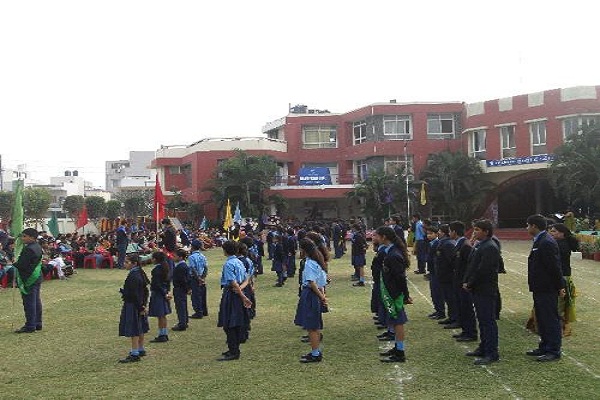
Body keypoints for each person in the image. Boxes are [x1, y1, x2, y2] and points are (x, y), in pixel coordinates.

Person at [525, 214, 565, 362]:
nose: (527, 228)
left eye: (528, 225)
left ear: (534, 226)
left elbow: (554, 267)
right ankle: (544, 345)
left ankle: (553, 350)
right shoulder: (540, 240)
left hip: (547, 288)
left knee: (549, 319)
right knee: (541, 318)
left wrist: (560, 286)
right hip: (540, 287)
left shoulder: (546, 242)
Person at [462, 219, 501, 365]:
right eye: (474, 229)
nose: (474, 232)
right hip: (478, 288)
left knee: (487, 321)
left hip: (485, 289)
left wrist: (470, 283)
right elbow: (472, 265)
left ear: (486, 231)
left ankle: (491, 352)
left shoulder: (490, 246)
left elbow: (483, 270)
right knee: (482, 320)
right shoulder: (480, 245)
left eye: (477, 230)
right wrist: (466, 281)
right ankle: (484, 347)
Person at [376, 226, 413, 363]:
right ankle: (397, 347)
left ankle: (400, 352)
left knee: (398, 323)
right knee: (395, 321)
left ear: (384, 237)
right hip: (391, 292)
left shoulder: (394, 255)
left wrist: (406, 295)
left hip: (395, 294)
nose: (375, 238)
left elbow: (400, 278)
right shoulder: (389, 252)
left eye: (377, 235)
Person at [295, 238, 328, 363]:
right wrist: (323, 295)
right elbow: (322, 283)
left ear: (303, 250)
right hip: (315, 294)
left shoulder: (309, 263)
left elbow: (312, 283)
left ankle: (315, 354)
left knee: (312, 327)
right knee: (313, 325)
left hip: (310, 294)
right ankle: (315, 351)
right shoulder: (317, 262)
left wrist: (321, 296)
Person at [217, 240, 252, 361]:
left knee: (229, 323)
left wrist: (241, 294)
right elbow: (247, 278)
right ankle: (233, 348)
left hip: (232, 294)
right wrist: (242, 291)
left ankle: (234, 351)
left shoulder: (229, 264)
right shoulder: (239, 262)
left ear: (225, 251)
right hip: (239, 291)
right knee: (236, 322)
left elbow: (232, 282)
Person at [118, 254, 150, 363]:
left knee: (134, 329)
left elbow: (134, 294)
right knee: (140, 327)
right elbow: (145, 291)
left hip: (133, 305)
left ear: (134, 263)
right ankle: (140, 349)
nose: (125, 264)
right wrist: (143, 304)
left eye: (127, 262)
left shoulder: (133, 276)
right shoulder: (140, 272)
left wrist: (140, 307)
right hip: (139, 304)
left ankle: (135, 352)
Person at [548, 223, 578, 337]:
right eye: (551, 231)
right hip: (564, 274)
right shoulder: (560, 243)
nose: (551, 233)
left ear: (562, 233)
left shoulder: (560, 245)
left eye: (554, 231)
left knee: (559, 303)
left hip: (562, 276)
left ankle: (558, 328)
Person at [12, 228, 44, 333]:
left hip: (29, 278)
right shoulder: (38, 246)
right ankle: (37, 323)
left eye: (25, 236)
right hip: (36, 277)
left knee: (29, 302)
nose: (23, 238)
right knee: (36, 301)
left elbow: (22, 265)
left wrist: (14, 262)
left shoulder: (29, 249)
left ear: (32, 237)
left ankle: (30, 325)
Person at [450, 221, 477, 340]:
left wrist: (467, 282)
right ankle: (465, 330)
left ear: (454, 232)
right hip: (458, 281)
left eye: (450, 231)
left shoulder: (465, 245)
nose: (449, 233)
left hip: (463, 282)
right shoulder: (459, 243)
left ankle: (471, 333)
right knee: (461, 307)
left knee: (467, 308)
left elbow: (470, 266)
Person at [148, 251, 172, 343]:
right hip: (164, 292)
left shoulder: (156, 270)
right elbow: (167, 281)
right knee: (163, 315)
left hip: (159, 294)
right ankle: (164, 333)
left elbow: (157, 284)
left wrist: (164, 293)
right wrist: (167, 291)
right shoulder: (165, 267)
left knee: (160, 315)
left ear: (155, 259)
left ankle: (162, 334)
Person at [188, 240, 208, 319]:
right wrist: (202, 278)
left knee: (196, 296)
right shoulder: (202, 256)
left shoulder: (191, 257)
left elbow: (193, 269)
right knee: (203, 295)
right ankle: (204, 311)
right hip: (202, 277)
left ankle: (198, 312)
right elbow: (206, 268)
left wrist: (198, 279)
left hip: (195, 278)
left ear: (192, 247)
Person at [171, 249, 191, 331]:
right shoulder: (182, 265)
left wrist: (187, 288)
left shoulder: (181, 267)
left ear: (180, 257)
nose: (173, 257)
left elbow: (183, 280)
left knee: (180, 306)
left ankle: (182, 323)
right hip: (181, 288)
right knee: (183, 305)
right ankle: (184, 321)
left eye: (175, 256)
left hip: (179, 288)